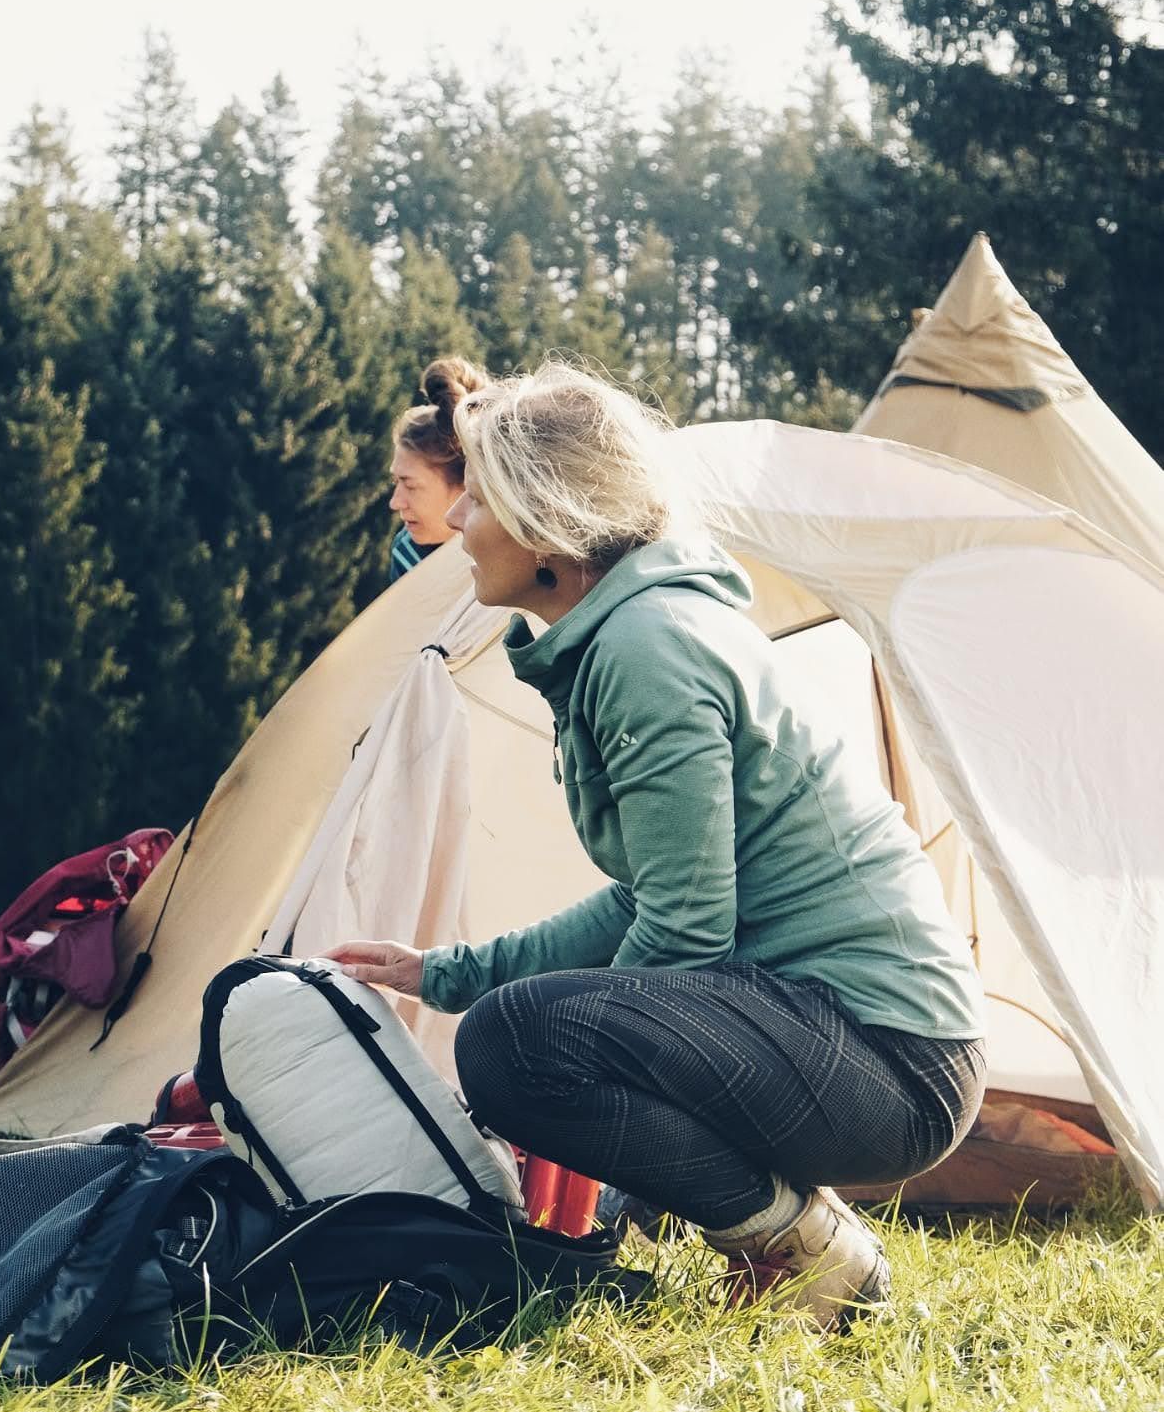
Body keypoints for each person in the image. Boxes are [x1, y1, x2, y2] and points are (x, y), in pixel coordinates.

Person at [332, 361, 987, 1332]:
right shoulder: (631, 633)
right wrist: (449, 970)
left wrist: (604, 1117)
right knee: (512, 1025)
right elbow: (651, 899)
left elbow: (682, 931)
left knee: (514, 1045)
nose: (459, 520)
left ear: (547, 522)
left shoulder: (650, 648)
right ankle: (793, 1232)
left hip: (888, 1055)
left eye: (481, 494)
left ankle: (806, 1247)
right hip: (840, 1036)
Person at [387, 356, 490, 584]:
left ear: (467, 486)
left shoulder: (522, 554)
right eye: (396, 482)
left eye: (410, 485)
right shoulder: (407, 556)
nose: (395, 502)